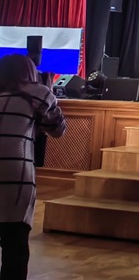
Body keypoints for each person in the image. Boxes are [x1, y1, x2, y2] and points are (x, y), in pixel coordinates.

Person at [0, 54, 66, 280]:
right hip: (15, 175)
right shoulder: (38, 94)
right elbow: (58, 130)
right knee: (15, 246)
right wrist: (49, 92)